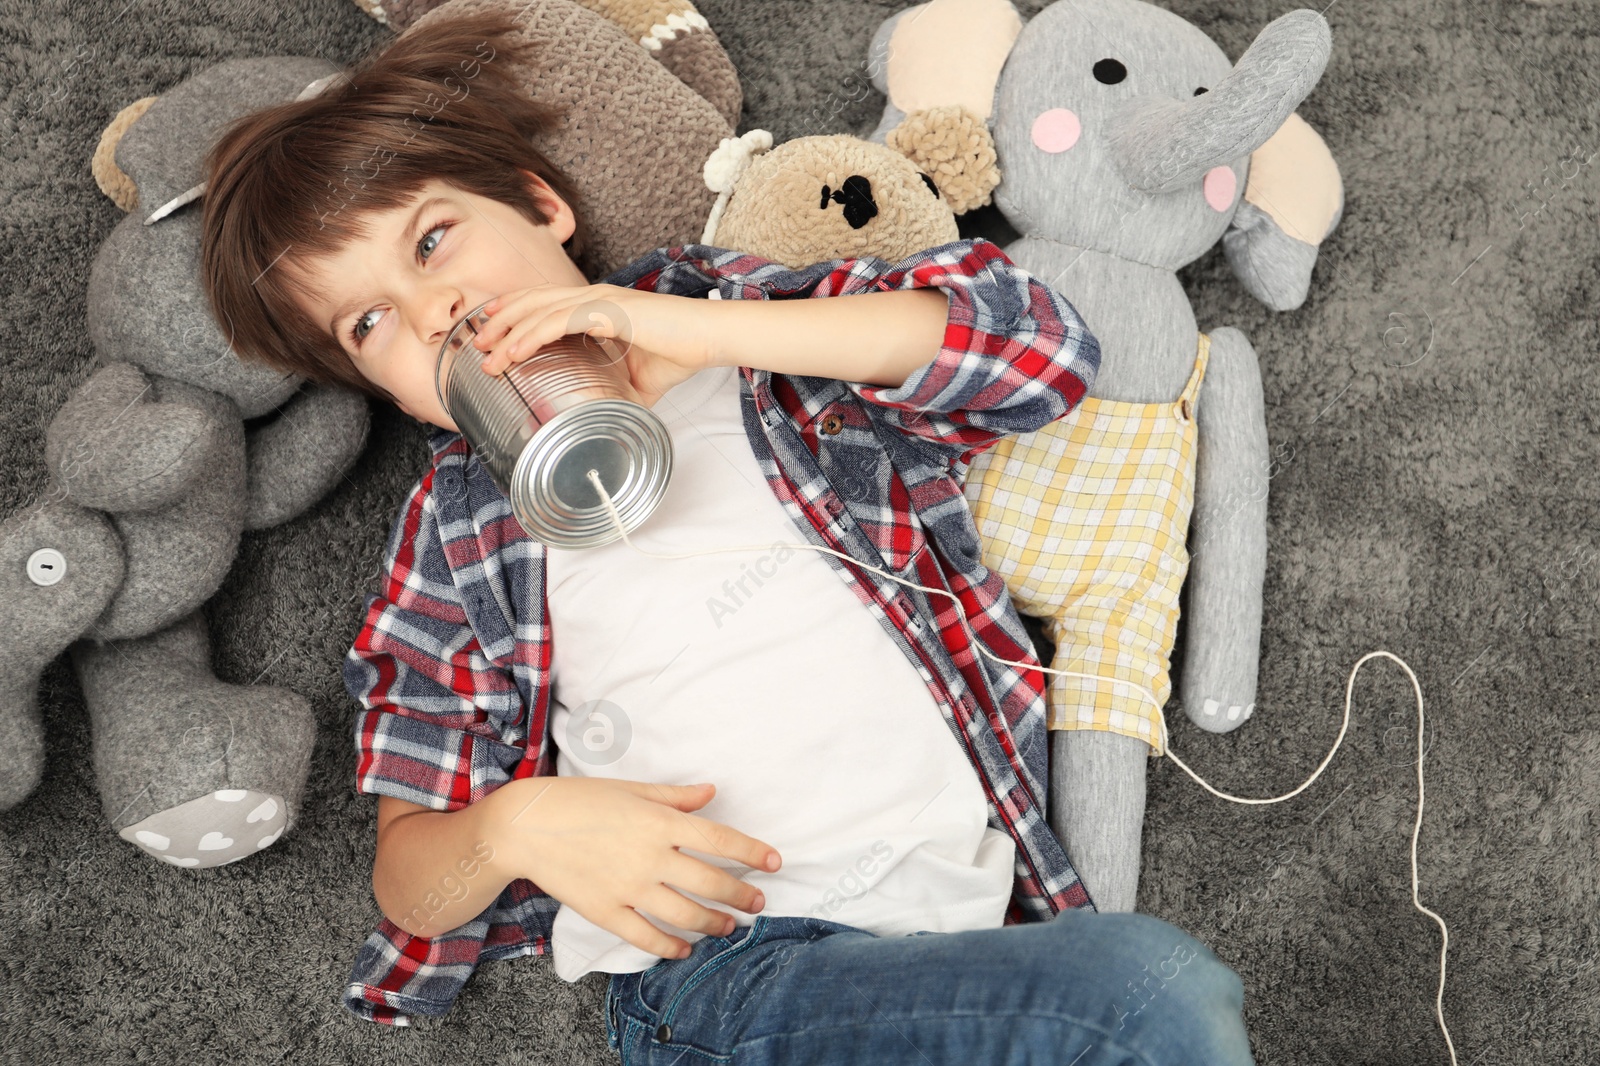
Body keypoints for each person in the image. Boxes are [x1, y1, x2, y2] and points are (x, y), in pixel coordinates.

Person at [199, 11, 1255, 1063]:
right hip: (730, 973)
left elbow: (1038, 349)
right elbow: (414, 884)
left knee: (1120, 995)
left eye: (432, 241)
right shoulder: (456, 537)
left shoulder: (756, 337)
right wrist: (513, 824)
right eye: (369, 324)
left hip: (974, 932)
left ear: (540, 205)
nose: (433, 312)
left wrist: (701, 328)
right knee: (1149, 997)